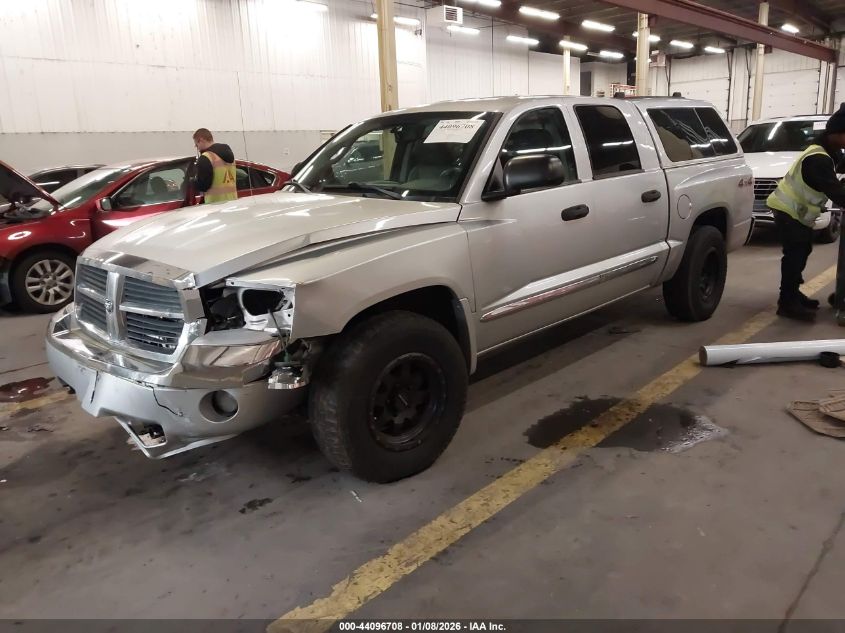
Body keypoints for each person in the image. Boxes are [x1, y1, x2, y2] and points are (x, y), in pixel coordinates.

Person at [767, 104, 845, 321]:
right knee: (795, 254)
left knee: (802, 251)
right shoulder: (818, 158)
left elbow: (839, 166)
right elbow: (836, 192)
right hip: (788, 209)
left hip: (796, 211)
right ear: (837, 133)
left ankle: (793, 294)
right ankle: (786, 303)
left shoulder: (828, 149)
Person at [192, 128, 237, 203]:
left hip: (215, 205)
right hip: (233, 202)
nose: (197, 148)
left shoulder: (206, 157)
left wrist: (193, 182)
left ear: (201, 140)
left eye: (196, 145)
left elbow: (203, 186)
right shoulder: (229, 154)